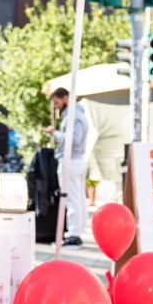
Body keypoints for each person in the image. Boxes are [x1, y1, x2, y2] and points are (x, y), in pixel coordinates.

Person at [43, 87, 88, 249]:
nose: (56, 106)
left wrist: (55, 133)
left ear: (66, 98)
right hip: (76, 160)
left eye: (57, 102)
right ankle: (77, 233)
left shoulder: (73, 116)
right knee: (78, 198)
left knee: (71, 198)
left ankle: (74, 236)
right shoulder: (76, 114)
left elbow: (74, 140)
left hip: (71, 161)